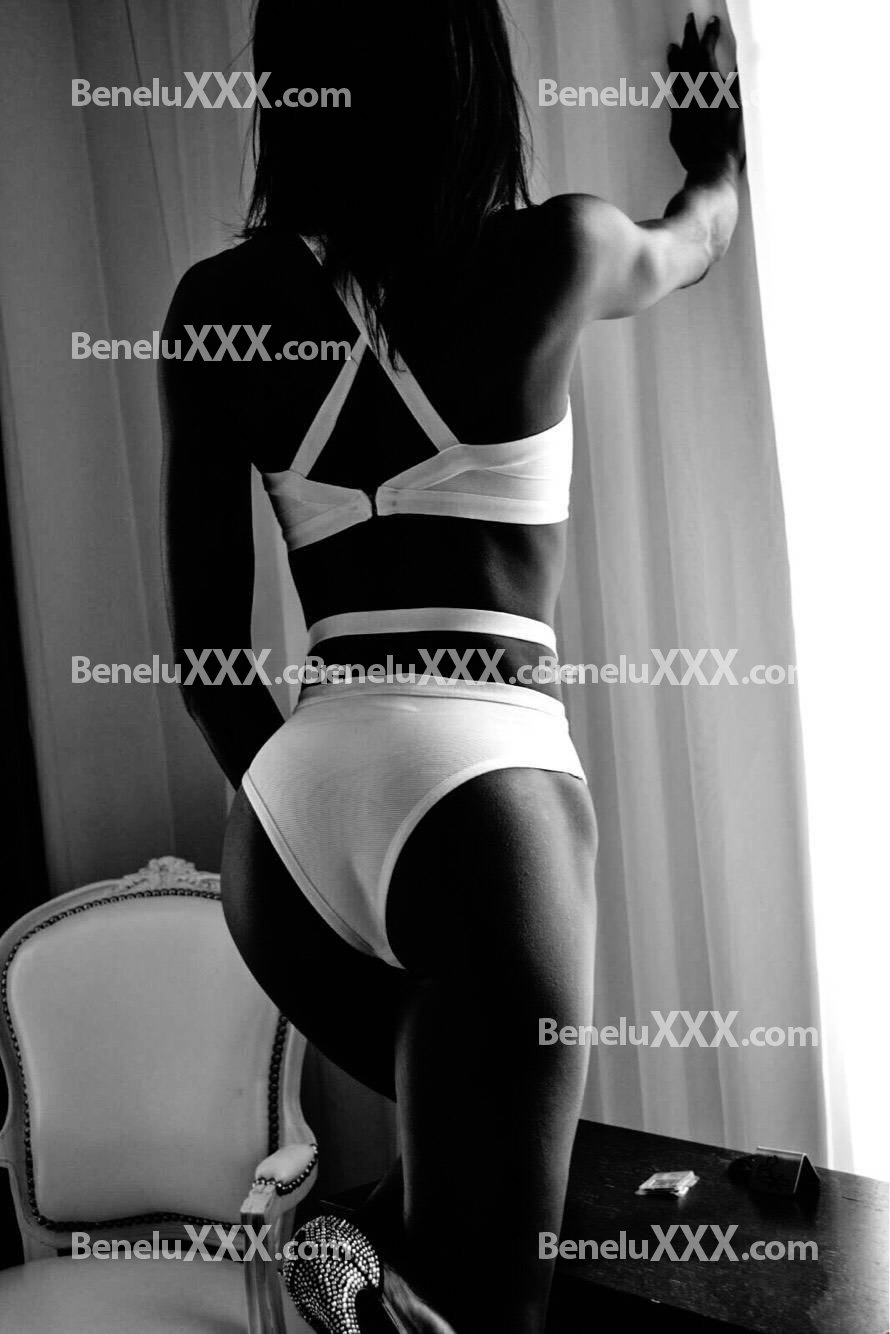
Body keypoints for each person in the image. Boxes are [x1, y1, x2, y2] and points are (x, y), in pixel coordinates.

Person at [161, 5, 743, 1330]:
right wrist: (714, 152)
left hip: (286, 831)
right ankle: (354, 1253)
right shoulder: (558, 250)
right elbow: (697, 237)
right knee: (497, 1302)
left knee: (450, 1201)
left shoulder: (216, 307)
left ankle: (349, 1252)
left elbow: (204, 659)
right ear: (471, 74)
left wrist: (300, 816)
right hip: (482, 789)